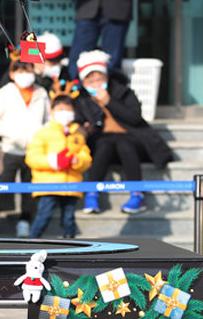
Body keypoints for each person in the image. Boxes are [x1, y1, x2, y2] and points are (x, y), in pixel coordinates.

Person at [74, 50, 173, 214]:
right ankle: (91, 193)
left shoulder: (123, 91)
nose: (96, 83)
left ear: (106, 77)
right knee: (105, 143)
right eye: (90, 80)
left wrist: (109, 102)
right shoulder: (81, 99)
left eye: (99, 78)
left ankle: (137, 194)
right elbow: (76, 121)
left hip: (133, 140)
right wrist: (83, 129)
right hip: (101, 144)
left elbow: (135, 118)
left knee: (123, 142)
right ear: (83, 82)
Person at [0, 61, 50, 238]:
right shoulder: (6, 92)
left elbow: (48, 119)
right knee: (2, 185)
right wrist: (8, 134)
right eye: (20, 70)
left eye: (28, 69)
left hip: (34, 150)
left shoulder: (41, 92)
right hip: (10, 148)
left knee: (29, 187)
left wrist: (41, 137)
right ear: (12, 73)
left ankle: (25, 220)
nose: (24, 74)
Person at [25, 95, 92, 239]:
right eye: (60, 109)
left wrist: (78, 161)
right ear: (52, 111)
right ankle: (31, 242)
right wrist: (53, 161)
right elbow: (32, 158)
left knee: (69, 219)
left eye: (68, 109)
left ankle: (71, 245)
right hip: (48, 185)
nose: (65, 112)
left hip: (71, 186)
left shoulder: (78, 135)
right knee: (43, 216)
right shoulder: (42, 133)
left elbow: (86, 158)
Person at [0, 31, 69, 91]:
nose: (56, 64)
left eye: (58, 60)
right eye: (51, 61)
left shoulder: (64, 74)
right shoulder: (21, 72)